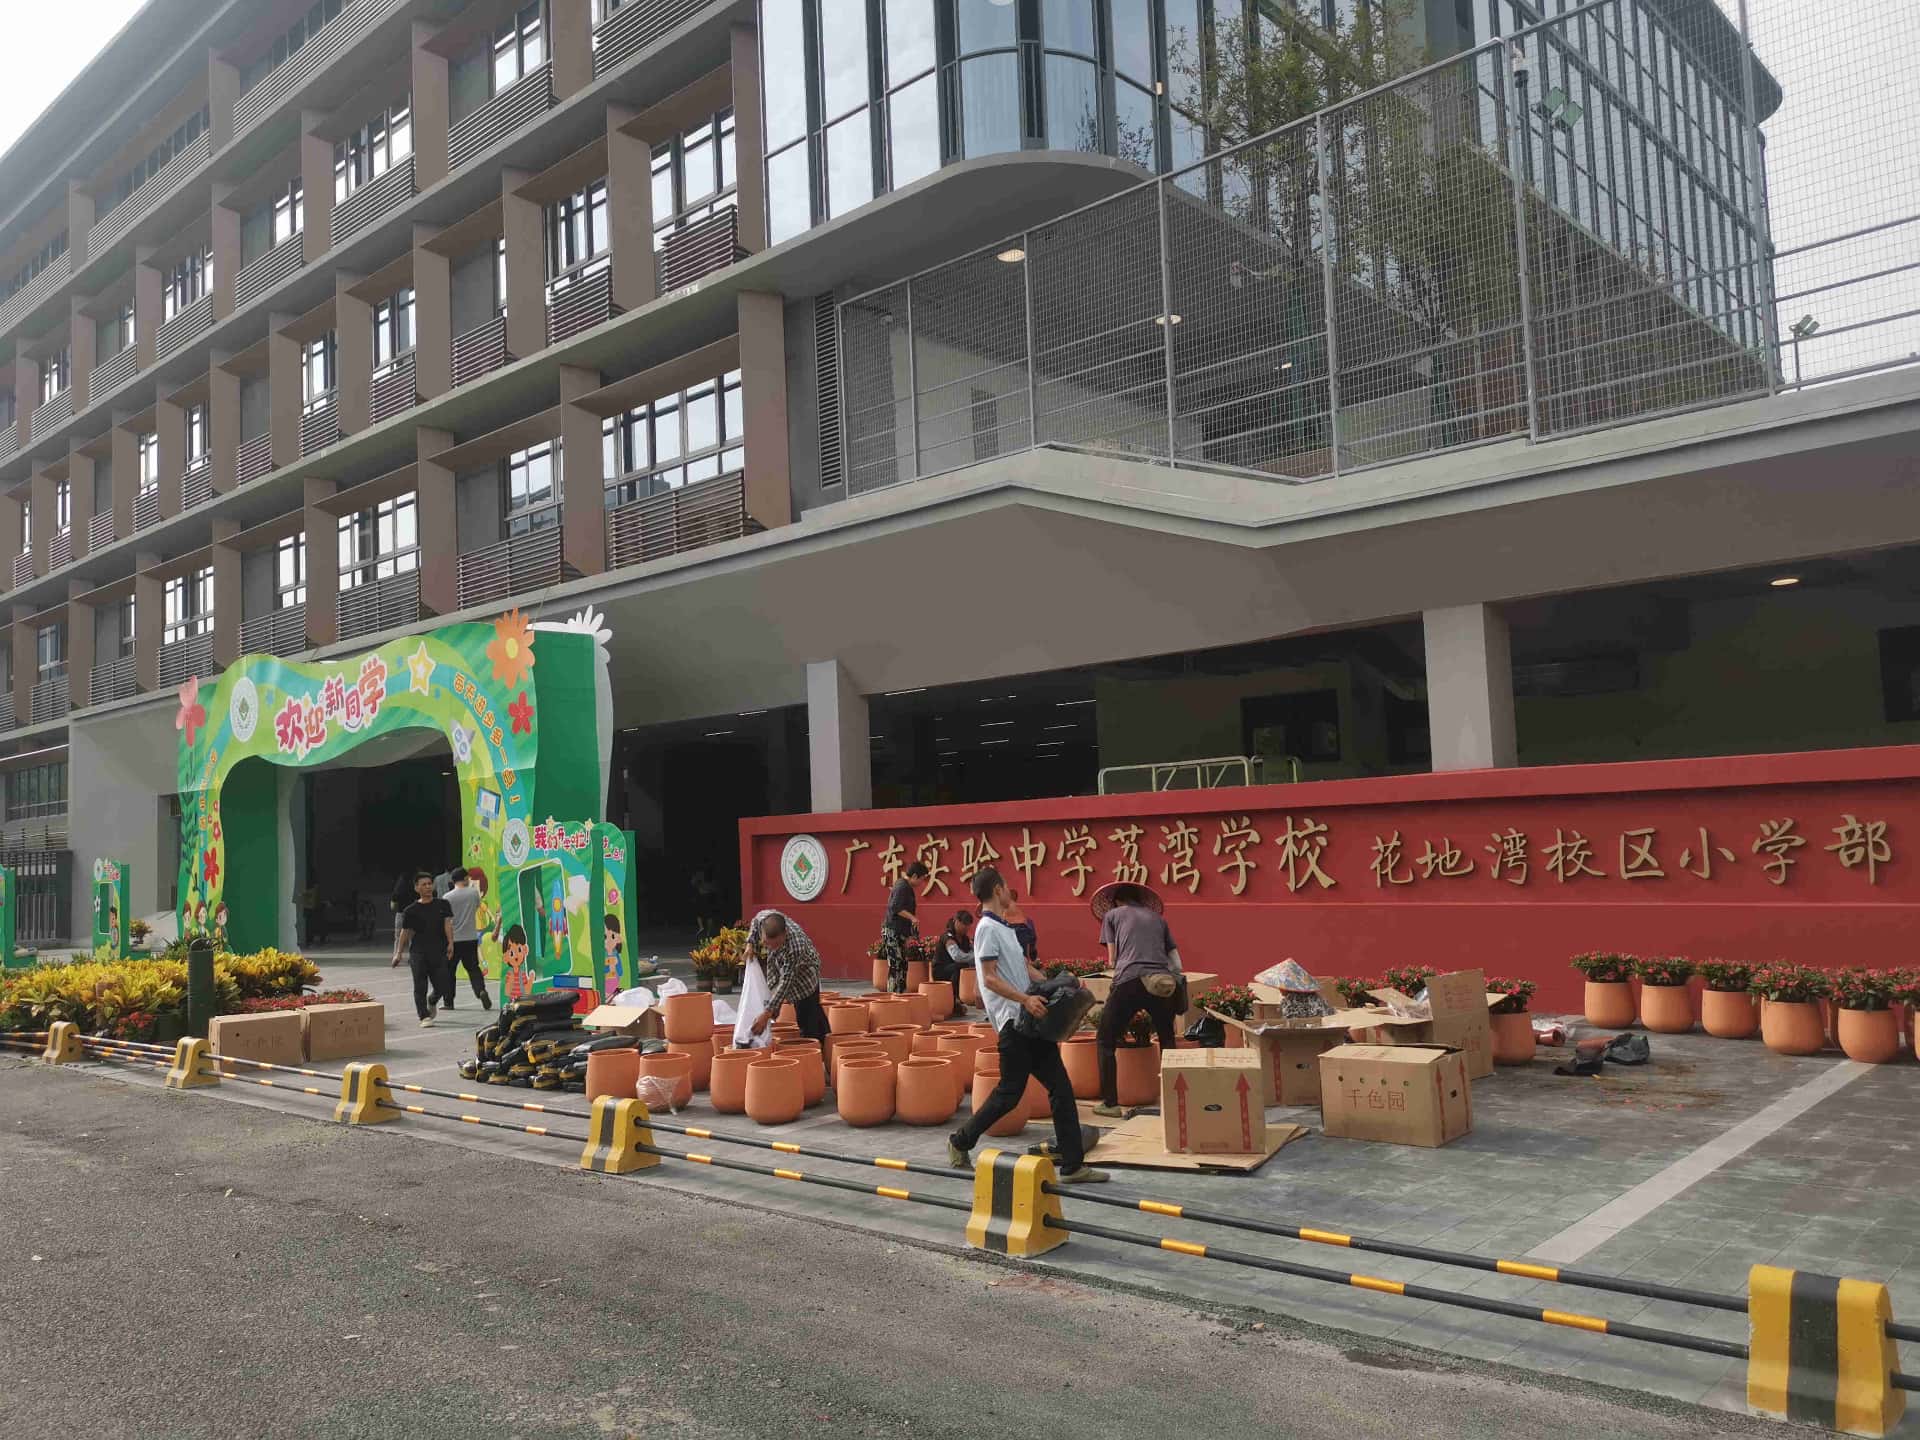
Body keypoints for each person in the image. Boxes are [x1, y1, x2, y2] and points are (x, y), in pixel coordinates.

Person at [946, 867, 1106, 1185]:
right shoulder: (987, 928)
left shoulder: (1004, 927)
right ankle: (959, 1142)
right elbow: (989, 978)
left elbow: (1024, 968)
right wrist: (1024, 999)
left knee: (1060, 1088)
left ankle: (1072, 1166)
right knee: (1009, 1094)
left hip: (1032, 1022)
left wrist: (1057, 987)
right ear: (997, 890)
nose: (1010, 893)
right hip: (1014, 1025)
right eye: (1006, 887)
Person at [1090, 881, 1182, 1118]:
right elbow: (1175, 960)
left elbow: (1112, 958)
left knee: (1105, 1039)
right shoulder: (1158, 919)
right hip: (1160, 982)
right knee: (1167, 1039)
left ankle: (1110, 1104)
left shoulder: (1112, 915)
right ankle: (1175, 1101)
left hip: (1129, 979)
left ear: (1117, 901)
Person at [744, 909, 830, 1045]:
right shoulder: (764, 919)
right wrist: (750, 944)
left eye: (775, 945)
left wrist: (766, 1014)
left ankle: (817, 1048)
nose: (770, 948)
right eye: (766, 943)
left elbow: (786, 982)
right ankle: (828, 1040)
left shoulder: (795, 946)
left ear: (785, 934)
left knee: (807, 1018)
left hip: (804, 977)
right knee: (815, 1013)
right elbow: (755, 922)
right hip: (781, 969)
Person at [391, 871, 454, 1026]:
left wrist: (451, 943)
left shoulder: (443, 904)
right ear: (416, 888)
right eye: (424, 884)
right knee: (420, 985)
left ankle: (432, 1000)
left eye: (429, 884)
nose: (427, 887)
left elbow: (447, 924)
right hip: (418, 952)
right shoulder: (411, 910)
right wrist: (398, 953)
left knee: (443, 984)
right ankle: (424, 1016)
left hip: (439, 950)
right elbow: (405, 932)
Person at [445, 868, 491, 1011]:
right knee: (473, 968)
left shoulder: (447, 897)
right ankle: (480, 990)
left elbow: (446, 919)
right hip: (471, 937)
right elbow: (476, 907)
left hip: (453, 940)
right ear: (465, 878)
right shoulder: (473, 893)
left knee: (449, 971)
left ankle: (449, 1002)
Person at [879, 862, 928, 992]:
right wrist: (912, 918)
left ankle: (900, 993)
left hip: (899, 932)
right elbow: (895, 907)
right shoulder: (902, 887)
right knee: (896, 965)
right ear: (915, 876)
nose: (922, 883)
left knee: (902, 964)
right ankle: (893, 996)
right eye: (922, 879)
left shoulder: (905, 886)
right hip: (892, 931)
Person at [933, 911, 975, 1016]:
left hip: (954, 969)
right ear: (956, 921)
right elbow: (957, 956)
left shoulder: (965, 939)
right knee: (961, 966)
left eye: (968, 925)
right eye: (964, 924)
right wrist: (977, 956)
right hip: (941, 971)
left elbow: (972, 953)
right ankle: (954, 998)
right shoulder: (947, 936)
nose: (966, 928)